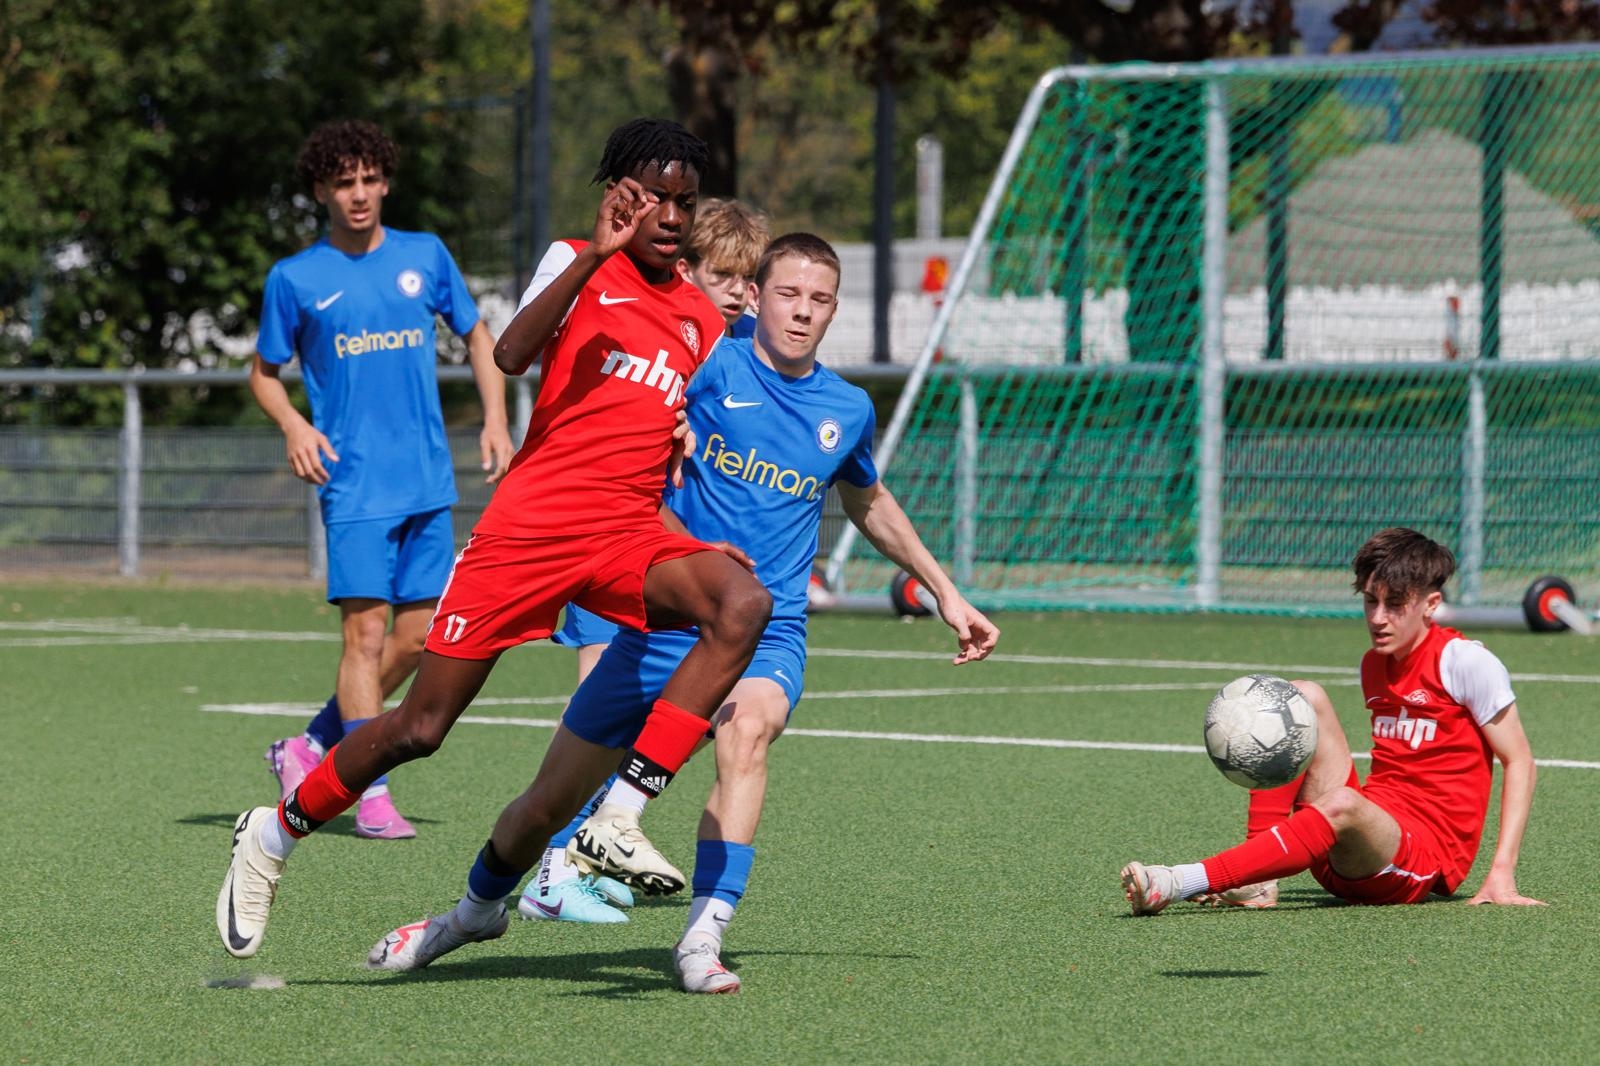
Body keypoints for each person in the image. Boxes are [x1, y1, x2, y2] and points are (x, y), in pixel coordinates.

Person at [368, 232, 1002, 993]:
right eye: (788, 294)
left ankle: (702, 938)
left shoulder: (847, 407)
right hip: (662, 625)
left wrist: (945, 591)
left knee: (747, 732)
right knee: (543, 808)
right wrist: (663, 431)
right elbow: (620, 413)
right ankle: (469, 915)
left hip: (767, 631)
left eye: (820, 299)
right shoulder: (706, 364)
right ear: (757, 297)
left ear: (835, 310)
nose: (803, 311)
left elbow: (869, 501)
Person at [217, 117, 774, 960]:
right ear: (618, 194)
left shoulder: (701, 316)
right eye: (653, 197)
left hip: (624, 533)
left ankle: (619, 816)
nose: (669, 215)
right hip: (529, 534)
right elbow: (511, 353)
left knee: (740, 603)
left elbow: (651, 440)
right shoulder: (574, 260)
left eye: (684, 202)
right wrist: (593, 256)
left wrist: (688, 521)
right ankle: (273, 834)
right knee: (420, 727)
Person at [249, 119, 514, 840]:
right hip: (355, 485)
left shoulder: (424, 255)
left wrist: (495, 420)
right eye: (344, 183)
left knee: (420, 639)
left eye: (370, 179)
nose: (359, 194)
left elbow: (478, 335)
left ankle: (310, 745)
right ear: (320, 192)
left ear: (386, 182)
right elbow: (263, 374)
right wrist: (295, 426)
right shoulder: (295, 278)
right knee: (364, 638)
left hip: (426, 480)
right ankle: (369, 789)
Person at [534, 197, 773, 923]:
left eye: (748, 279)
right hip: (611, 537)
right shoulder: (662, 329)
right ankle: (551, 870)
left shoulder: (730, 344)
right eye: (723, 275)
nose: (739, 293)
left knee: (679, 722)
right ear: (687, 269)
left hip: (670, 561)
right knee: (595, 722)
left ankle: (580, 853)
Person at [1120, 526, 1542, 915]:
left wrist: (1501, 871)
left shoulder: (1466, 662)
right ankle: (1257, 881)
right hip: (1355, 841)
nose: (1378, 618)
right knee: (1299, 698)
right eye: (1370, 601)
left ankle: (1180, 881)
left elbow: (1519, 761)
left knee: (1343, 803)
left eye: (1395, 605)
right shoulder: (1374, 663)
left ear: (1431, 604)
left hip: (1417, 860)